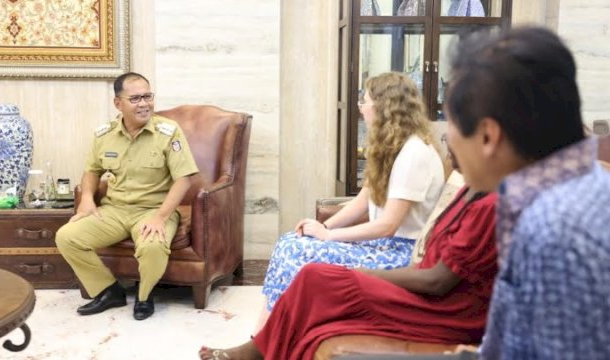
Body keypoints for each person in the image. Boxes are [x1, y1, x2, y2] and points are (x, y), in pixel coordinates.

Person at [199, 152, 498, 359]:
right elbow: (362, 202)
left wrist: (357, 273)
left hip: (445, 310)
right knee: (305, 264)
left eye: (454, 132)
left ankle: (258, 350)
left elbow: (437, 280)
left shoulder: (488, 203)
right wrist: (324, 229)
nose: (446, 144)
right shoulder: (472, 186)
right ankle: (261, 345)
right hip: (426, 288)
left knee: (316, 276)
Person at [443, 27, 610, 358]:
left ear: (489, 136)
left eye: (449, 122)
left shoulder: (557, 231)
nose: (448, 139)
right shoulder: (578, 187)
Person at [260, 72, 445, 321]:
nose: (360, 109)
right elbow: (361, 203)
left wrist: (328, 236)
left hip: (401, 253)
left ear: (383, 107)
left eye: (364, 102)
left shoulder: (414, 154)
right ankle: (268, 333)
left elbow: (387, 226)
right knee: (290, 241)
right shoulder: (389, 148)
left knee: (297, 251)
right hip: (383, 246)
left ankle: (273, 334)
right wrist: (322, 227)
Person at [55, 72, 198, 321]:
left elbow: (184, 178)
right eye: (135, 98)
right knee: (67, 237)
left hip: (154, 209)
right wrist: (87, 198)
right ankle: (108, 291)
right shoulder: (104, 134)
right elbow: (91, 171)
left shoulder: (168, 132)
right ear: (118, 103)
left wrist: (161, 218)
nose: (144, 104)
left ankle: (144, 296)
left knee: (153, 246)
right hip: (115, 210)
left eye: (147, 96)